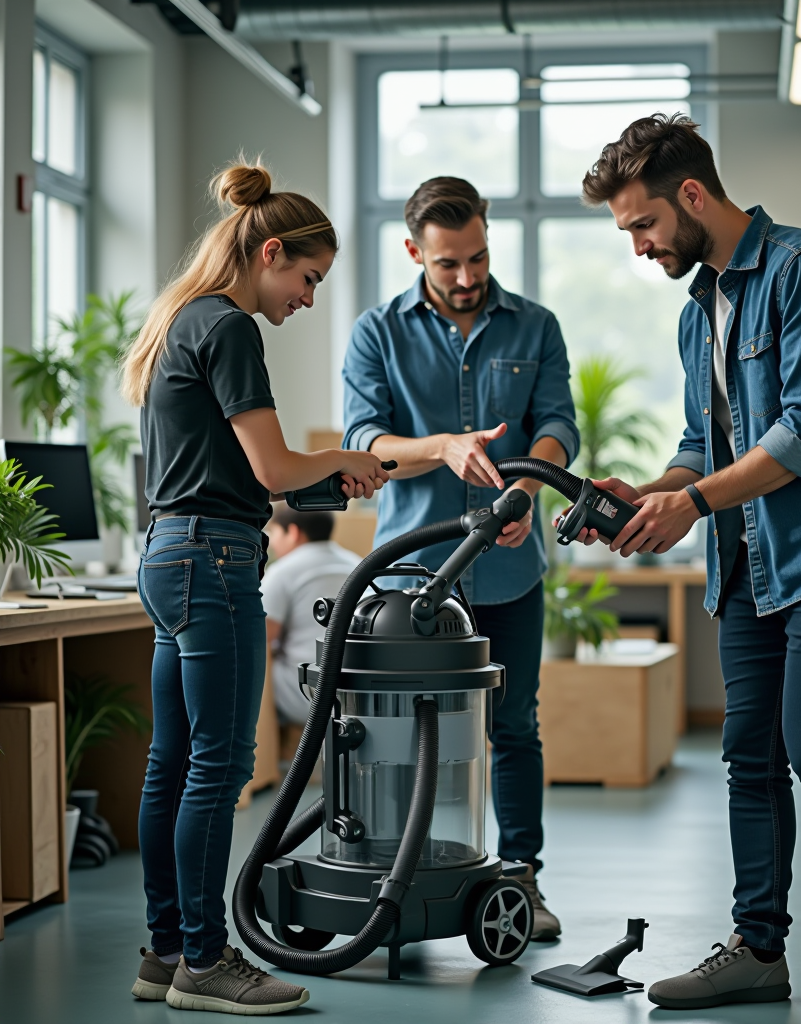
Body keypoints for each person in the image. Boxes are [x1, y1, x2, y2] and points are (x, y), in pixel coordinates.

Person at [575, 114, 801, 1014]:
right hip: (750, 561)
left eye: (642, 226)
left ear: (691, 196)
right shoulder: (704, 310)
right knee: (749, 758)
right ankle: (759, 949)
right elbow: (705, 441)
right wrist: (647, 490)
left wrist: (688, 504)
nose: (639, 248)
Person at [121, 163, 389, 1015]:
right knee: (218, 767)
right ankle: (207, 960)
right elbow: (273, 465)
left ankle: (165, 951)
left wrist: (330, 480)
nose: (308, 298)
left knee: (171, 766)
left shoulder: (182, 320)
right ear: (269, 252)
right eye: (307, 278)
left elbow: (245, 480)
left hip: (170, 552)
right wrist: (340, 458)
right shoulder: (232, 327)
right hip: (215, 562)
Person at [343, 176, 579, 941]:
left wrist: (530, 487)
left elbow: (558, 425)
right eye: (449, 264)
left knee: (514, 727)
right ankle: (393, 881)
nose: (469, 277)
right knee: (401, 735)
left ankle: (522, 878)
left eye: (478, 257)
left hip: (511, 573)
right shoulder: (376, 333)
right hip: (413, 583)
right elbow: (364, 444)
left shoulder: (536, 326)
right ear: (415, 251)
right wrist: (440, 448)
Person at [262, 506, 361, 727]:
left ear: (293, 532)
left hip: (307, 695)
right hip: (356, 695)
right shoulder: (357, 564)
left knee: (253, 665)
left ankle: (268, 757)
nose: (273, 542)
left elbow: (263, 634)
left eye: (274, 532)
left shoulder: (283, 570)